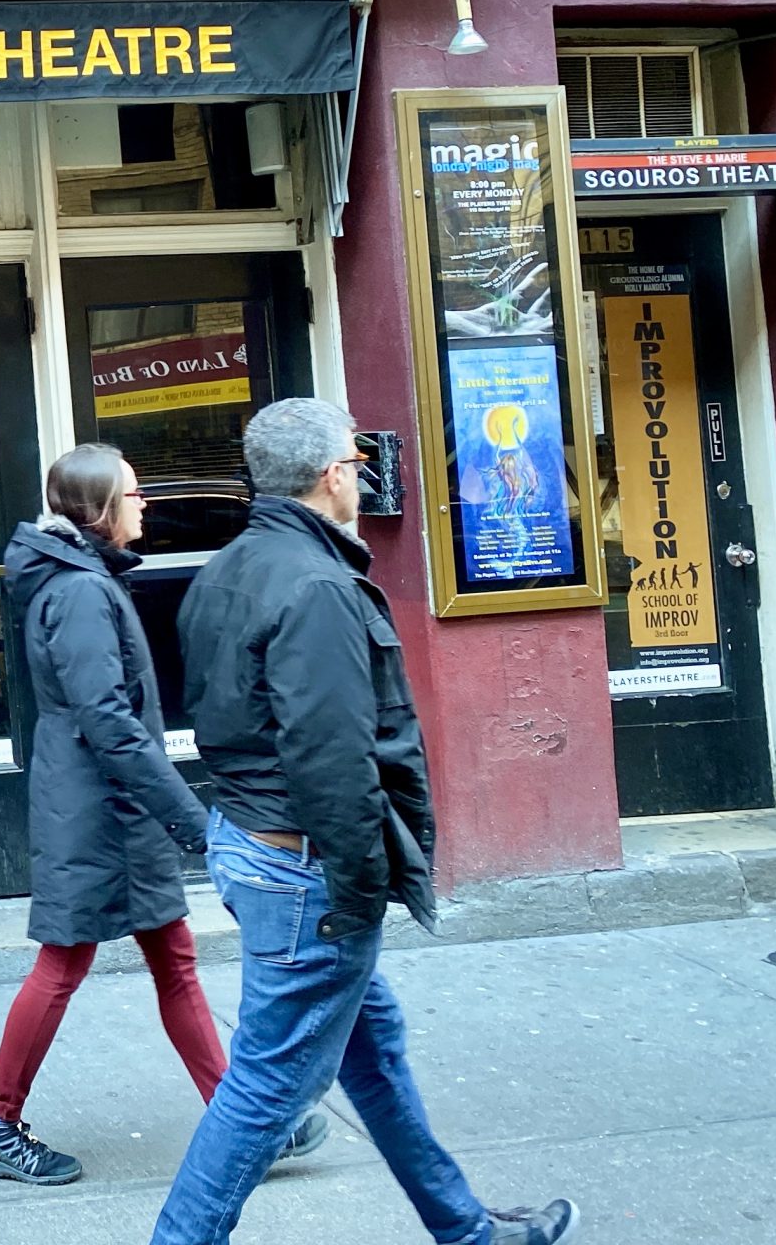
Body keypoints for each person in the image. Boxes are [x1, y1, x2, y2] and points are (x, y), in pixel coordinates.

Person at [149, 399, 579, 1245]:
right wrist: (357, 890)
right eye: (355, 462)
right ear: (331, 476)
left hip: (258, 842)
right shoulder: (316, 587)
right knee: (267, 1086)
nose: (361, 475)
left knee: (371, 1054)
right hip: (303, 866)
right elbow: (332, 759)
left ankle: (465, 1230)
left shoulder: (228, 569)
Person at [0, 444, 329, 1187]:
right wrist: (191, 821)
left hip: (111, 806)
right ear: (101, 509)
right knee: (64, 962)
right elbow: (108, 721)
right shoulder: (79, 592)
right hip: (96, 810)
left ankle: (243, 1120)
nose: (145, 504)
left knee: (174, 960)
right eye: (133, 494)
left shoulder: (83, 579)